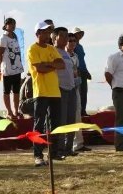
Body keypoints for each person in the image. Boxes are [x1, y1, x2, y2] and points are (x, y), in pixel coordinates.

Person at [28, 21, 65, 167]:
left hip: (54, 91)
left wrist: (47, 64)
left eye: (49, 32)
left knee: (55, 124)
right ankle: (38, 155)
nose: (47, 34)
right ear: (38, 33)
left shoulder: (51, 48)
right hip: (41, 92)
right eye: (44, 32)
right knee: (39, 125)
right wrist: (52, 65)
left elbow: (62, 64)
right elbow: (40, 69)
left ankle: (54, 153)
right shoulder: (32, 49)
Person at [52, 27, 77, 157]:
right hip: (60, 89)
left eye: (67, 36)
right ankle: (59, 150)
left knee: (71, 120)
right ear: (55, 37)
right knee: (61, 121)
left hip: (71, 89)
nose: (66, 39)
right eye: (63, 36)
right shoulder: (52, 51)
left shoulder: (66, 53)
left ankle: (68, 148)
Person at [66, 32, 91, 153]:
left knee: (77, 116)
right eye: (69, 40)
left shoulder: (75, 55)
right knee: (67, 117)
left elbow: (76, 71)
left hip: (75, 88)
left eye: (74, 41)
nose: (72, 43)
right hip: (65, 89)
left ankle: (78, 144)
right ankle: (66, 146)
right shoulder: (61, 55)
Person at [0, 18, 24, 119]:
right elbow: (0, 53)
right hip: (7, 69)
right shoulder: (3, 38)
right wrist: (0, 65)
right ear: (6, 25)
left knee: (16, 91)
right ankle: (9, 112)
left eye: (14, 24)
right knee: (6, 91)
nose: (13, 26)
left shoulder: (15, 36)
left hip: (17, 68)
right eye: (11, 24)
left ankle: (16, 111)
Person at [73, 27, 91, 116]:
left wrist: (87, 71)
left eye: (80, 34)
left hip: (83, 71)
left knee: (84, 92)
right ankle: (78, 111)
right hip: (77, 72)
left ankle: (83, 111)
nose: (79, 35)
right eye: (77, 34)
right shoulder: (72, 46)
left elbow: (82, 60)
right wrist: (77, 70)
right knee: (78, 93)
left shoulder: (80, 46)